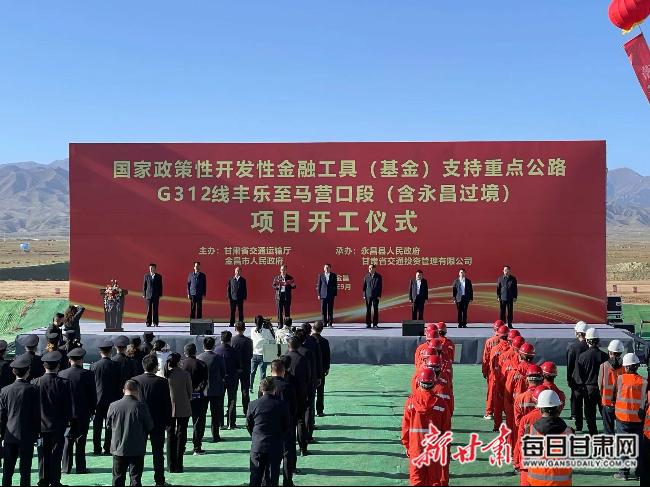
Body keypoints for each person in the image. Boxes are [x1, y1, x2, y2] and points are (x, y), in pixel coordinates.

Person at [401, 368, 449, 486]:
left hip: (416, 447)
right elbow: (446, 430)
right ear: (434, 382)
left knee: (416, 480)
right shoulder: (441, 404)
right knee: (434, 480)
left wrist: (407, 446)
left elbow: (406, 428)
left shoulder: (410, 402)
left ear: (419, 382)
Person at [32, 351, 72, 487]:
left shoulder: (35, 382)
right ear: (58, 366)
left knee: (42, 454)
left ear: (44, 366)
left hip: (41, 426)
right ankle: (55, 481)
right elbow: (68, 406)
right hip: (58, 425)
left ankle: (43, 480)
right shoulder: (65, 383)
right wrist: (68, 423)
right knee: (56, 453)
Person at [0, 354, 41, 487]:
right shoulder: (33, 389)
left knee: (7, 470)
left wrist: (2, 435)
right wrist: (37, 434)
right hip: (27, 436)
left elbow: (2, 416)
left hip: (10, 435)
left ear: (13, 371)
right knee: (25, 470)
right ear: (27, 372)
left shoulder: (5, 391)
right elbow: (37, 414)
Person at [133, 354, 172, 487]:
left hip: (139, 423)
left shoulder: (135, 381)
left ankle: (136, 481)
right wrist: (168, 422)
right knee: (158, 453)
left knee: (138, 453)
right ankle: (159, 480)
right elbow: (167, 404)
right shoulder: (163, 382)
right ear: (156, 366)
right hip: (158, 422)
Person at [107, 379, 154, 487]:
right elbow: (149, 426)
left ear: (124, 390)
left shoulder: (113, 405)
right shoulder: (141, 406)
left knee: (118, 478)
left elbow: (108, 425)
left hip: (118, 448)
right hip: (136, 448)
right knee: (135, 479)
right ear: (137, 391)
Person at [246, 377, 290, 487]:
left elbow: (249, 424)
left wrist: (255, 436)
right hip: (275, 445)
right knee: (273, 477)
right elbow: (286, 425)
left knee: (255, 477)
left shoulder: (252, 405)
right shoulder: (282, 405)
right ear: (274, 389)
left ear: (261, 389)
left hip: (258, 445)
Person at [59, 347, 97, 474]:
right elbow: (92, 395)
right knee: (81, 440)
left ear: (70, 360)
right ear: (82, 360)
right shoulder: (88, 375)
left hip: (66, 413)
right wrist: (92, 411)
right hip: (82, 413)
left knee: (67, 440)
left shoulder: (62, 374)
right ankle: (81, 467)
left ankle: (66, 467)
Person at [525, 390, 574, 487]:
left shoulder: (530, 430)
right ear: (559, 408)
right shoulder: (569, 432)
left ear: (540, 409)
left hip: (536, 482)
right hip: (562, 483)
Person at [613, 353, 647, 481]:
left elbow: (614, 396)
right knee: (639, 446)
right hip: (638, 419)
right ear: (637, 366)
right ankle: (639, 472)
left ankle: (623, 473)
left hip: (622, 418)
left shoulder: (620, 379)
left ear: (626, 367)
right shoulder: (644, 381)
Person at [268, 360, 297, 487]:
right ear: (284, 371)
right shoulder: (288, 386)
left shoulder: (265, 385)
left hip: (269, 425)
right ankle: (287, 480)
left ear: (271, 370)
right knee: (287, 454)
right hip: (286, 424)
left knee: (270, 455)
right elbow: (294, 407)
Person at [91, 340, 122, 455]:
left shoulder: (94, 366)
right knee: (110, 426)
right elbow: (119, 384)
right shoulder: (117, 366)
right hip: (112, 400)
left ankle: (96, 448)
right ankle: (108, 447)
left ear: (100, 352)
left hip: (97, 400)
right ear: (111, 351)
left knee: (97, 426)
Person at [577, 328, 608, 435]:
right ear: (598, 340)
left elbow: (580, 375)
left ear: (587, 340)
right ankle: (608, 433)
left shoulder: (582, 356)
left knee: (590, 414)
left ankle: (593, 434)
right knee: (604, 413)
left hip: (588, 388)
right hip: (603, 389)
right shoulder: (605, 356)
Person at [165, 352, 192, 473]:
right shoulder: (185, 374)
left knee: (170, 434)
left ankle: (170, 465)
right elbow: (189, 392)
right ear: (179, 361)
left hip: (168, 408)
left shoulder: (166, 374)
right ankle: (179, 464)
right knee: (182, 433)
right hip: (183, 406)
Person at [197, 336, 226, 443]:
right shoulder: (218, 358)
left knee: (201, 416)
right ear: (214, 346)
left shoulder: (199, 358)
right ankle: (215, 435)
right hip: (216, 390)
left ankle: (199, 436)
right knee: (215, 415)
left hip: (202, 391)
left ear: (203, 346)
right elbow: (223, 373)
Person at [180, 343, 208, 455]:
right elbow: (204, 382)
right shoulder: (201, 364)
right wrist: (196, 391)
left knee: (183, 424)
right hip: (198, 396)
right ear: (195, 352)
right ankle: (197, 447)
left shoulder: (181, 364)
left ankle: (181, 447)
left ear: (185, 353)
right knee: (198, 422)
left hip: (184, 397)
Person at [286, 336, 311, 456]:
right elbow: (308, 376)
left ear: (288, 346)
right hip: (301, 393)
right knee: (300, 421)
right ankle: (302, 448)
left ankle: (290, 448)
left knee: (289, 422)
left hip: (287, 394)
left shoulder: (283, 358)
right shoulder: (303, 359)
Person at [298, 324, 322, 442]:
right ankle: (308, 433)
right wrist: (318, 377)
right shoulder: (313, 344)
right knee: (309, 408)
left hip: (296, 383)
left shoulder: (291, 349)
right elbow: (318, 361)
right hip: (309, 381)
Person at [599, 339, 625, 435]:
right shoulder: (625, 367)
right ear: (621, 353)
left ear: (609, 352)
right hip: (621, 403)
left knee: (608, 430)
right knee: (621, 429)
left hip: (607, 403)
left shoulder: (603, 366)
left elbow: (600, 385)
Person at [567, 321, 589, 432]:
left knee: (577, 403)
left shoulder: (573, 347)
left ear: (577, 333)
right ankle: (591, 425)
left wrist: (569, 379)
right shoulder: (591, 347)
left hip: (576, 381)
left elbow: (570, 365)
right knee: (589, 405)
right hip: (590, 381)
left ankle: (578, 424)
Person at [215, 330, 240, 429]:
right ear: (230, 340)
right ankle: (231, 423)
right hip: (232, 378)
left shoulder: (216, 351)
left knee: (220, 401)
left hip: (220, 379)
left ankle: (220, 423)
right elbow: (239, 366)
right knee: (232, 400)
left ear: (221, 339)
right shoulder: (234, 351)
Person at [482, 320, 505, 420]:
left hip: (493, 371)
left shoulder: (490, 341)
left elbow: (486, 358)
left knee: (491, 391)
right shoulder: (508, 343)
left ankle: (489, 412)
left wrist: (484, 371)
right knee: (505, 391)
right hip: (506, 371)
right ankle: (504, 410)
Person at [231, 321, 254, 415]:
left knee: (233, 392)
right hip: (246, 368)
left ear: (235, 329)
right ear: (244, 329)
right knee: (245, 390)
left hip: (234, 369)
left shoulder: (232, 340)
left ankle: (231, 411)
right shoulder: (249, 341)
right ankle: (246, 410)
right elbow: (251, 355)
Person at [251, 316, 276, 391]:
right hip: (263, 354)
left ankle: (250, 386)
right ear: (262, 322)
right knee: (262, 374)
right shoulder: (266, 331)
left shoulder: (252, 330)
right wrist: (270, 327)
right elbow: (273, 339)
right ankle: (261, 389)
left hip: (254, 354)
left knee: (252, 372)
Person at [311, 321, 330, 417]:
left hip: (311, 370)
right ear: (322, 329)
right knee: (320, 391)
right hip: (321, 370)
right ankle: (320, 410)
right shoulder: (325, 341)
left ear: (313, 328)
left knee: (310, 391)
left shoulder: (308, 341)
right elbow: (327, 356)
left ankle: (310, 411)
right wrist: (327, 368)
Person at [143, 263, 163, 327]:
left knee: (155, 309)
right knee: (149, 309)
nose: (151, 269)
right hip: (148, 295)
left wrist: (160, 294)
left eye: (153, 268)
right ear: (149, 268)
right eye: (150, 268)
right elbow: (145, 286)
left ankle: (155, 322)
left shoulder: (159, 276)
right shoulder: (146, 276)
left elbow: (160, 286)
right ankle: (148, 323)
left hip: (156, 295)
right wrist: (144, 294)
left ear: (155, 268)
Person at [362, 264, 383, 328]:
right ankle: (368, 324)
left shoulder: (378, 276)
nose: (370, 269)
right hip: (368, 295)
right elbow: (364, 287)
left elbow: (380, 287)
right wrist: (364, 295)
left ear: (374, 269)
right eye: (369, 268)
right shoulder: (366, 276)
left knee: (375, 310)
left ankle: (375, 324)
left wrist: (379, 295)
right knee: (368, 310)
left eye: (371, 268)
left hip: (376, 296)